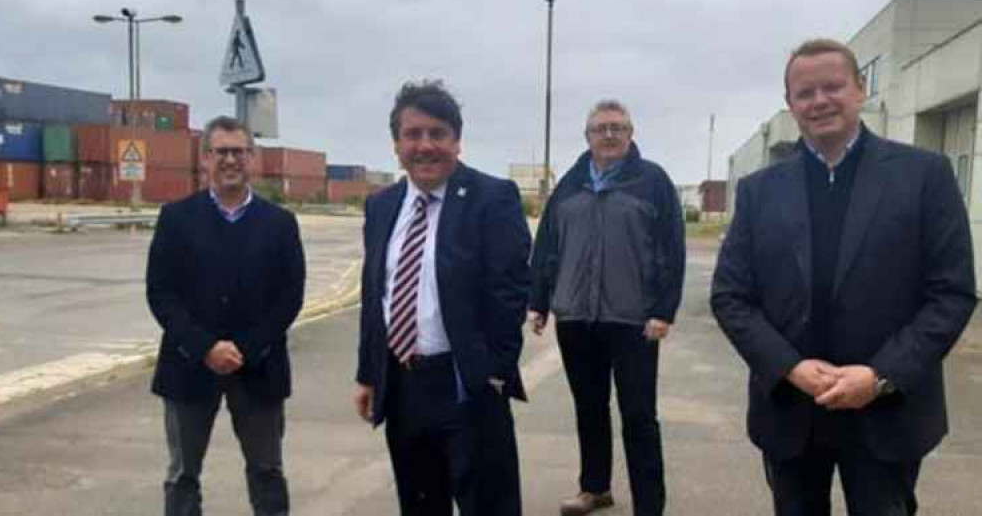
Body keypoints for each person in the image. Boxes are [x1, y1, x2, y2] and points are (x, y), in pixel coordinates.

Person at [711, 38, 978, 515]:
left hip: (886, 411)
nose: (819, 101)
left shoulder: (924, 176)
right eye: (804, 93)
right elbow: (731, 296)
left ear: (859, 90)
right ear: (790, 105)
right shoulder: (759, 192)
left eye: (832, 87)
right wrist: (790, 367)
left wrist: (880, 377)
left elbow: (952, 293)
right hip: (791, 410)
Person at [353, 80, 532, 515]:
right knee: (419, 504)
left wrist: (494, 371)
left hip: (466, 385)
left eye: (437, 133)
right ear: (397, 143)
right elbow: (375, 293)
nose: (425, 145)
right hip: (404, 386)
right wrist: (368, 373)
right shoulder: (382, 205)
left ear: (456, 141)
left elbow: (510, 293)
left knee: (487, 504)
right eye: (413, 134)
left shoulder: (493, 198)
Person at [530, 99, 686, 516]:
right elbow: (547, 244)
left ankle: (650, 505)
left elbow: (672, 249)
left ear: (631, 134)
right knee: (589, 407)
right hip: (576, 317)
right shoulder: (570, 183)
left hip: (634, 320)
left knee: (638, 415)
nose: (610, 135)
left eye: (618, 127)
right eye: (601, 128)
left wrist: (663, 310)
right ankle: (594, 488)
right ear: (587, 136)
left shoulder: (652, 181)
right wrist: (539, 301)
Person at [147, 115, 306, 516]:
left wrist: (245, 349)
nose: (231, 160)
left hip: (260, 368)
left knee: (267, 472)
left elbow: (290, 298)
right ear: (205, 159)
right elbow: (161, 294)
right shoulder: (176, 219)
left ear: (252, 158)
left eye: (239, 151)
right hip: (188, 366)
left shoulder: (280, 224)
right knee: (182, 475)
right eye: (222, 152)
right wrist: (205, 348)